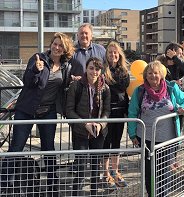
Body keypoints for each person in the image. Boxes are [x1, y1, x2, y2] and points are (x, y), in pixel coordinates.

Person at [1, 32, 75, 196]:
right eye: (55, 44)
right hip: (26, 110)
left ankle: (52, 185)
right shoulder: (38, 59)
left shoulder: (66, 66)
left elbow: (63, 86)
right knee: (16, 147)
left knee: (49, 150)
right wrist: (35, 70)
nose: (56, 47)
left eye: (60, 45)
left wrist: (73, 81)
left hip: (47, 111)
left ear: (65, 49)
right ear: (51, 44)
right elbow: (28, 82)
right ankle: (6, 184)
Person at [127, 60, 184, 197]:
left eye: (156, 73)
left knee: (164, 172)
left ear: (161, 75)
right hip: (146, 138)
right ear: (145, 76)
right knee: (149, 172)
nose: (153, 76)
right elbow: (132, 113)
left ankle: (162, 194)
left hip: (167, 138)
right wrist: (132, 135)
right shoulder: (139, 91)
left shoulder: (171, 87)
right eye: (149, 73)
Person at [66, 57, 111, 196]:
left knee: (95, 167)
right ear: (86, 68)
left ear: (101, 70)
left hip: (98, 133)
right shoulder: (76, 86)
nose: (94, 71)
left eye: (97, 69)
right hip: (80, 132)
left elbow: (107, 111)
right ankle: (76, 194)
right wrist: (84, 123)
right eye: (91, 68)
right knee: (80, 166)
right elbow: (69, 110)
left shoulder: (105, 88)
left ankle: (93, 193)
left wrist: (100, 124)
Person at [103, 41, 130, 188]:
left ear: (119, 54)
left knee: (117, 141)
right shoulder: (102, 70)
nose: (112, 54)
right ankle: (105, 173)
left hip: (120, 110)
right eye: (109, 52)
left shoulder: (124, 71)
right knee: (106, 142)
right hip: (106, 111)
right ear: (106, 55)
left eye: (115, 52)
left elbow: (123, 88)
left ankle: (116, 171)